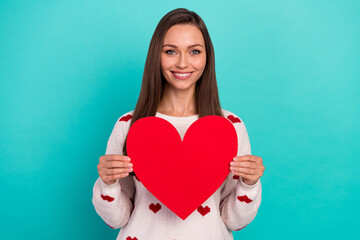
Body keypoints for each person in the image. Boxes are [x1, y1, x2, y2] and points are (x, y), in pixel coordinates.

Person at [92, 8, 265, 240]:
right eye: (171, 51)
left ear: (207, 57)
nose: (183, 63)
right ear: (157, 55)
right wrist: (108, 183)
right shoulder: (129, 125)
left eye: (194, 51)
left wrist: (249, 184)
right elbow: (116, 219)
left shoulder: (231, 126)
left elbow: (234, 221)